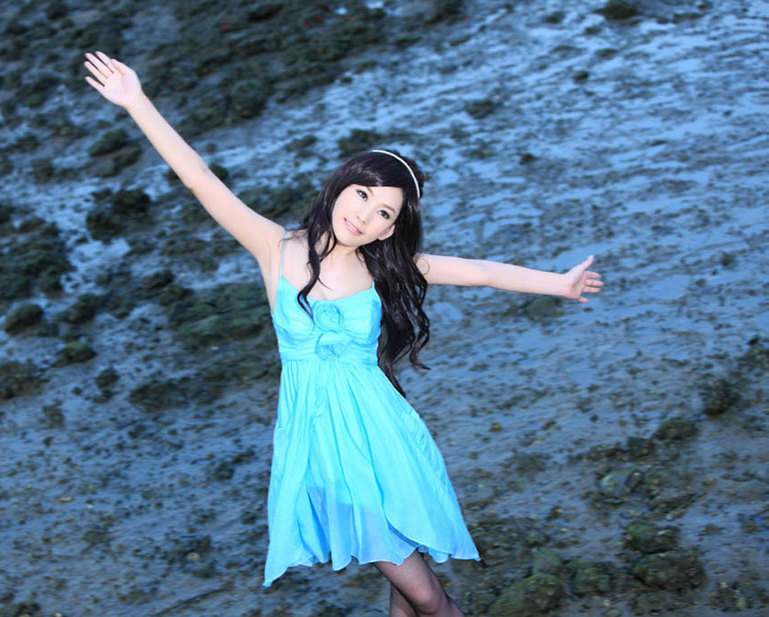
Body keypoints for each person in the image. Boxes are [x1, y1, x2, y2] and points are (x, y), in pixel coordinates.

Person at [84, 51, 602, 617]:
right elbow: (201, 178)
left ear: (389, 230)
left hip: (382, 431)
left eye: (384, 214)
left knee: (418, 593)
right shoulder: (274, 247)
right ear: (341, 186)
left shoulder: (385, 268)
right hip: (320, 440)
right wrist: (137, 102)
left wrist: (559, 284)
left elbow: (479, 272)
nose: (365, 215)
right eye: (363, 195)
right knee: (418, 586)